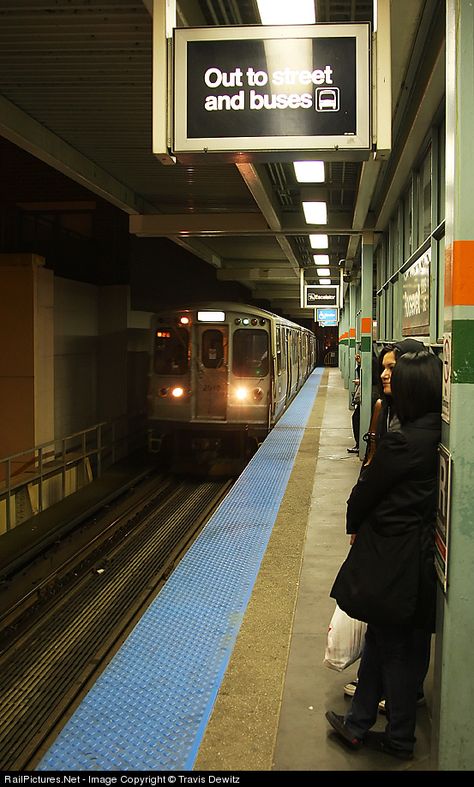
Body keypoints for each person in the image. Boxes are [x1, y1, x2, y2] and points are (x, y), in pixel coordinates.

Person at [326, 349, 442, 760]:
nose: (385, 377)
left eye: (395, 373)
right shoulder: (433, 433)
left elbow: (366, 492)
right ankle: (357, 723)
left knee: (394, 649)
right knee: (382, 639)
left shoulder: (404, 442)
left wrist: (353, 519)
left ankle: (399, 738)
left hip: (392, 556)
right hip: (411, 554)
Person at [347, 353, 361, 453]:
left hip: (370, 397)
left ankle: (360, 445)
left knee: (356, 418)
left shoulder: (372, 361)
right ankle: (359, 444)